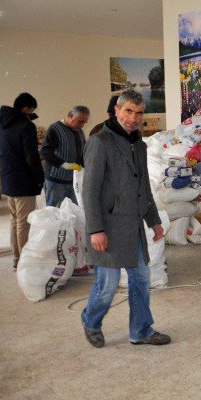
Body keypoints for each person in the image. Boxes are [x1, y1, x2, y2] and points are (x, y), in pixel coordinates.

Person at [80, 89, 170, 348]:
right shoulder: (100, 142)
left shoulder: (139, 146)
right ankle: (90, 321)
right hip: (107, 227)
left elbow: (144, 186)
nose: (133, 118)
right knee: (107, 285)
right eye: (128, 111)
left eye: (138, 113)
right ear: (117, 111)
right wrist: (95, 229)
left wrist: (153, 220)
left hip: (133, 226)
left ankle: (141, 330)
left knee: (141, 279)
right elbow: (90, 190)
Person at [0, 93, 44, 270]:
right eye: (31, 109)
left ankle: (17, 259)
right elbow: (31, 156)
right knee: (24, 223)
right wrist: (39, 178)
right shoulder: (26, 126)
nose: (32, 112)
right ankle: (25, 262)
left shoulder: (4, 125)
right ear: (26, 108)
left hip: (8, 178)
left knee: (14, 221)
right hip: (23, 181)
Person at [40, 105, 90, 207]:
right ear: (71, 116)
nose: (82, 125)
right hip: (56, 180)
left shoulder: (79, 131)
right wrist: (64, 165)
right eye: (80, 121)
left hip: (73, 181)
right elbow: (45, 152)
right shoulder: (55, 129)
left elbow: (83, 152)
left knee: (75, 211)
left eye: (85, 122)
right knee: (55, 211)